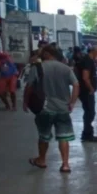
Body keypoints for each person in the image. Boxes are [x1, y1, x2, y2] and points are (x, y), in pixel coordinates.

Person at [24, 45, 79, 173]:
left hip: (45, 108)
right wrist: (72, 102)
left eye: (42, 53)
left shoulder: (37, 68)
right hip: (63, 109)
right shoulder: (66, 68)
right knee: (64, 137)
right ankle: (65, 164)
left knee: (44, 136)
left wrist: (26, 102)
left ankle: (42, 160)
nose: (40, 55)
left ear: (48, 54)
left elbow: (29, 87)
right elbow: (76, 85)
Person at [76, 45, 97, 143]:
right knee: (90, 112)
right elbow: (85, 77)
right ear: (96, 52)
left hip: (86, 90)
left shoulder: (89, 60)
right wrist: (91, 88)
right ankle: (88, 135)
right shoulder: (87, 60)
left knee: (89, 112)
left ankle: (87, 133)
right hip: (86, 91)